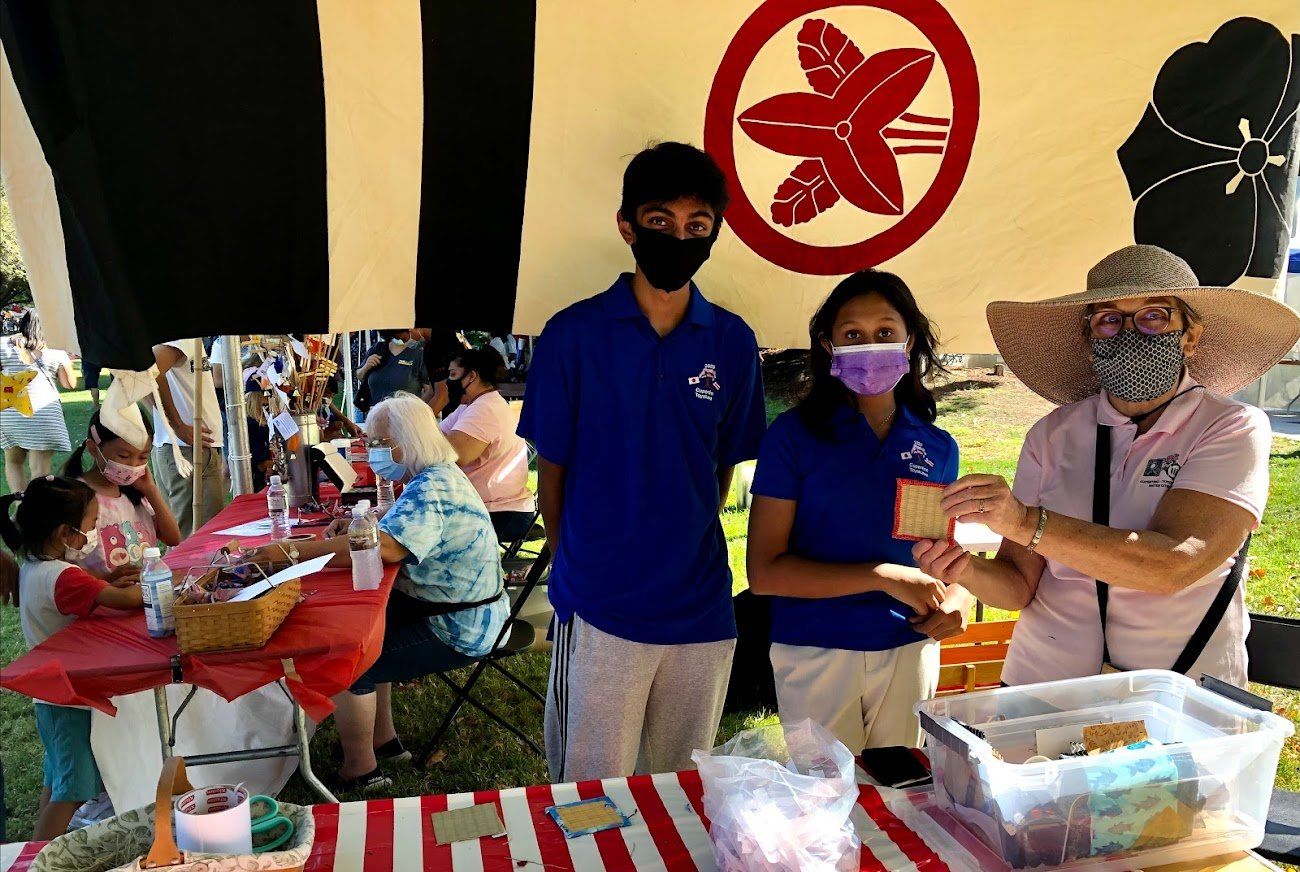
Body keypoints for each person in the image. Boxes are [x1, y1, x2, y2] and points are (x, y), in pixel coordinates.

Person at [915, 245, 1300, 687]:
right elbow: (1019, 585)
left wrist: (1024, 521)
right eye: (1109, 319)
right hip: (1044, 690)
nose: (1130, 332)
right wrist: (961, 568)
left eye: (1154, 315)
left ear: (1191, 335)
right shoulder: (1052, 434)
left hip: (1175, 701)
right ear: (1090, 339)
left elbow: (1174, 564)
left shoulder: (1230, 427)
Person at [518, 142, 768, 782]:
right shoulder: (572, 336)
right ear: (627, 224)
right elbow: (553, 475)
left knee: (684, 792)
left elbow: (719, 471)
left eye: (697, 225)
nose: (678, 238)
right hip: (601, 607)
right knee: (590, 799)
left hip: (703, 607)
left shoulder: (734, 342)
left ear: (714, 231)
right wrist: (588, 557)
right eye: (660, 221)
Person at [746, 271, 972, 750]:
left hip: (909, 650)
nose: (870, 344)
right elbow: (765, 572)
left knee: (902, 803)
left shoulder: (936, 446)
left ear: (910, 341)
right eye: (853, 334)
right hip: (816, 651)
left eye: (885, 332)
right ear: (829, 346)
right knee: (827, 806)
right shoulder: (793, 436)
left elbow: (943, 557)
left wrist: (956, 601)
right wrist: (883, 576)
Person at [251, 392, 505, 790]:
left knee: (350, 656)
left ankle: (362, 769)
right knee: (369, 629)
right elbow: (391, 526)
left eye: (376, 443)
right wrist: (360, 519)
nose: (369, 451)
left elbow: (385, 547)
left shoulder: (432, 487)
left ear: (406, 443)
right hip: (460, 611)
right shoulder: (437, 476)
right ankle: (384, 742)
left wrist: (289, 552)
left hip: (460, 627)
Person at [0, 476, 143, 839]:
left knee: (57, 783)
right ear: (65, 532)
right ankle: (38, 857)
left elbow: (85, 591)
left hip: (52, 696)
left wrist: (108, 579)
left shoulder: (33, 564)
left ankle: (36, 851)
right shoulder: (64, 576)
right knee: (72, 792)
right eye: (91, 527)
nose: (93, 534)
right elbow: (127, 601)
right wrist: (161, 583)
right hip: (69, 699)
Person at [61, 408, 182, 581]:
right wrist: (106, 578)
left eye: (142, 457)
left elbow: (173, 538)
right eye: (124, 456)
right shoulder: (76, 496)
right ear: (93, 448)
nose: (133, 465)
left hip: (140, 592)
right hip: (104, 599)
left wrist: (151, 490)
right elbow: (60, 563)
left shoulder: (134, 493)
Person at [435, 348, 535, 542]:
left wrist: (436, 403)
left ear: (471, 376)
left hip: (503, 512)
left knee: (422, 533)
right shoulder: (471, 405)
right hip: (488, 506)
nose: (448, 382)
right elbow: (435, 435)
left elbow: (451, 455)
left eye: (453, 375)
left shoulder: (485, 408)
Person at [151, 338, 225, 534]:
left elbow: (143, 377)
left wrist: (170, 424)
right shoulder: (182, 335)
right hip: (189, 451)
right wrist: (176, 425)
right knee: (198, 540)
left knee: (188, 536)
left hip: (185, 448)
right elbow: (149, 372)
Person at [1, 310, 75, 492]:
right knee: (40, 470)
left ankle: (19, 508)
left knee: (13, 462)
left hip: (10, 412)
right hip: (44, 413)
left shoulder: (3, 346)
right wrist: (67, 361)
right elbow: (69, 384)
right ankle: (36, 512)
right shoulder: (55, 351)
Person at [354, 329, 430, 416]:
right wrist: (366, 367)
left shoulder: (419, 354)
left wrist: (419, 412)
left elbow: (429, 390)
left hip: (406, 417)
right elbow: (359, 376)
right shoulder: (378, 348)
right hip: (376, 416)